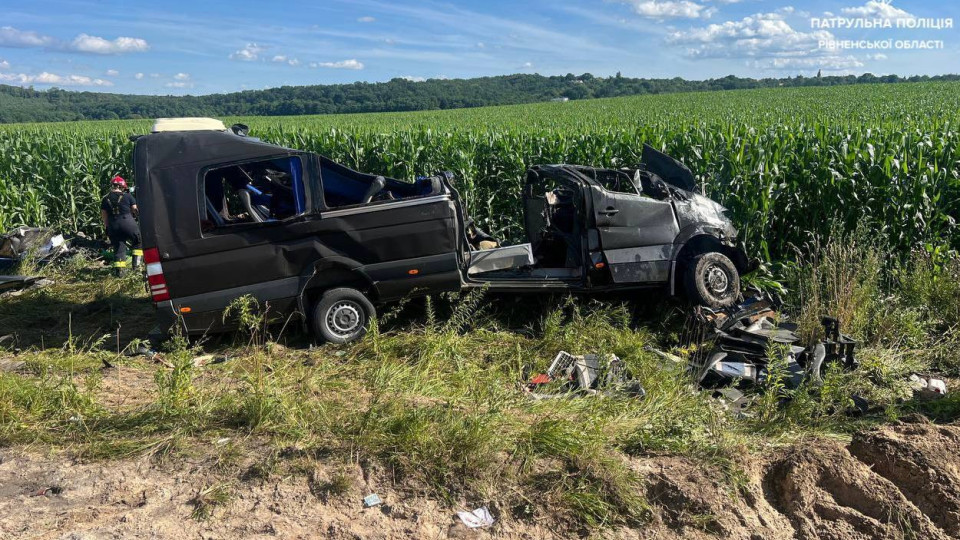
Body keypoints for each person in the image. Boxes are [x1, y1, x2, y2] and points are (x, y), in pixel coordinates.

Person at [100, 175, 142, 276]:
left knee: (119, 247)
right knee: (138, 241)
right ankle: (136, 268)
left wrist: (107, 228)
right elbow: (135, 211)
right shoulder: (128, 196)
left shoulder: (105, 199)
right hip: (127, 223)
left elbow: (104, 217)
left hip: (113, 226)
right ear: (122, 186)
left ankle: (120, 272)